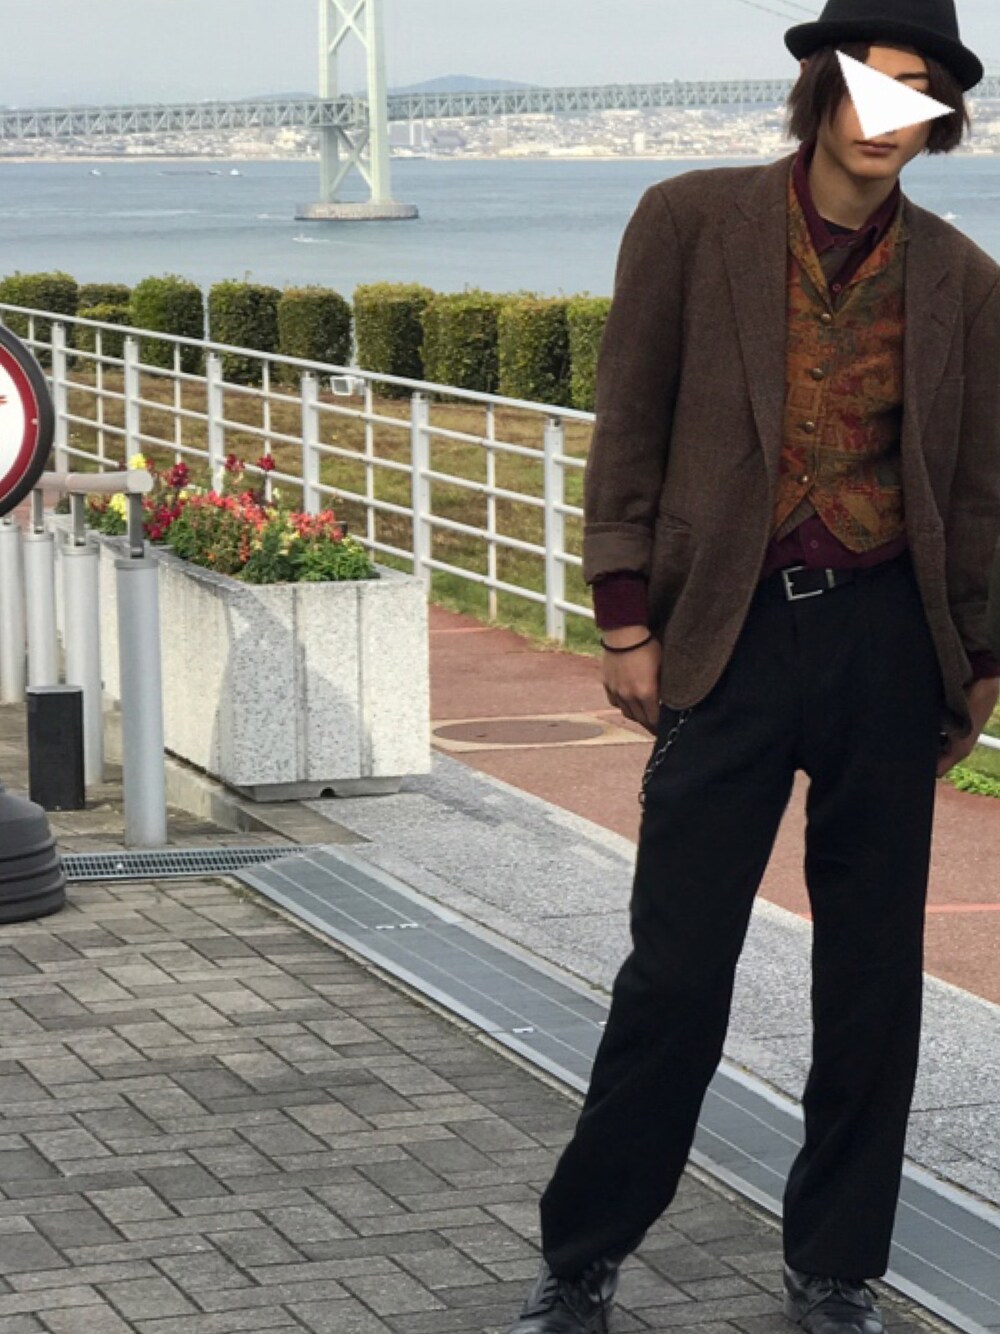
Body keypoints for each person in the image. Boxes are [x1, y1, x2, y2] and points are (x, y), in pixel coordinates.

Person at [506, 1, 1000, 1331]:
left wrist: (978, 657)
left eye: (920, 92)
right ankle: (583, 1254)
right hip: (729, 634)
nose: (890, 114)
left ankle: (837, 1266)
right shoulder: (689, 220)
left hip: (888, 642)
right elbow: (630, 420)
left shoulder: (963, 279)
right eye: (870, 82)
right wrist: (624, 618)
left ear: (943, 120)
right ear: (820, 88)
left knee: (872, 982)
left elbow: (979, 484)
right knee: (675, 971)